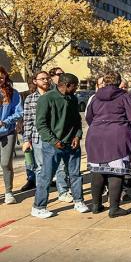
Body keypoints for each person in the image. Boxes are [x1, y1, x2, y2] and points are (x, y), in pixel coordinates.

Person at [32, 73, 88, 218]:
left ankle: (78, 201)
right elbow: (41, 124)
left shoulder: (73, 99)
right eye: (75, 86)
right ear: (67, 85)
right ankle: (38, 206)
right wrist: (53, 141)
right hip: (53, 145)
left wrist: (77, 135)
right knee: (46, 176)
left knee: (75, 174)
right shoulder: (46, 99)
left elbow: (77, 121)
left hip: (71, 143)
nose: (76, 89)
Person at [86, 72, 131, 217]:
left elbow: (89, 117)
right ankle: (114, 208)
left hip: (96, 135)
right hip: (117, 135)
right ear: (119, 82)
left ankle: (96, 205)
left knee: (98, 170)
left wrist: (98, 126)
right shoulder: (124, 96)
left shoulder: (95, 97)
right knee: (116, 171)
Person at [22, 71, 68, 198]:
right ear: (35, 81)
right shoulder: (30, 99)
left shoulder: (57, 95)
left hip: (56, 136)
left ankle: (63, 192)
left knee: (60, 165)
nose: (46, 81)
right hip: (38, 137)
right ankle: (41, 194)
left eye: (47, 78)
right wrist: (27, 139)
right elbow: (28, 121)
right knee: (41, 167)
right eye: (42, 79)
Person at [0, 67, 23, 204]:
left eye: (1, 77)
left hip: (7, 132)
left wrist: (5, 122)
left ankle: (8, 192)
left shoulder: (13, 93)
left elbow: (19, 112)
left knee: (5, 163)